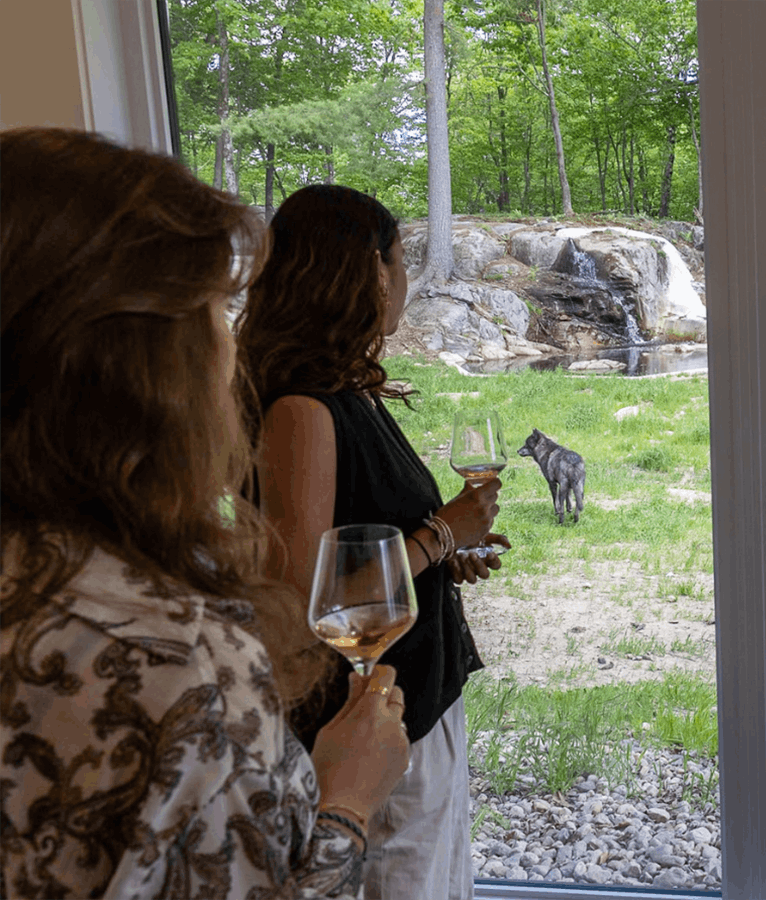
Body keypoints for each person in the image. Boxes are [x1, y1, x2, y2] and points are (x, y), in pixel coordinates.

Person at [0, 127, 410, 898]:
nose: (234, 339)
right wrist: (350, 801)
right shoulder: (179, 660)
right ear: (146, 368)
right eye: (220, 307)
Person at [235, 184, 506, 900]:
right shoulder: (300, 409)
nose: (406, 279)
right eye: (399, 258)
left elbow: (365, 537)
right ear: (370, 273)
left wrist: (447, 552)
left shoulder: (344, 389)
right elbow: (304, 601)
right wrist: (442, 531)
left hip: (410, 699)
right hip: (368, 718)